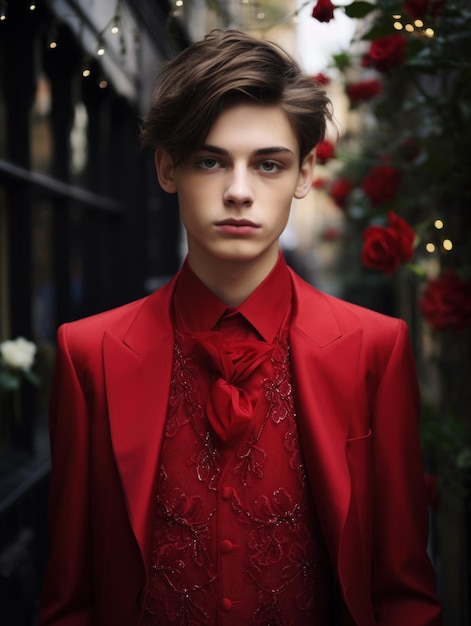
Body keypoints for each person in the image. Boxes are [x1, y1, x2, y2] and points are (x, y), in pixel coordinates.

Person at [39, 29, 442, 626]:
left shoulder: (374, 349)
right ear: (167, 169)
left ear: (304, 174)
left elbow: (402, 593)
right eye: (210, 160)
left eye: (269, 164)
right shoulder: (88, 353)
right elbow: (70, 600)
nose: (238, 192)